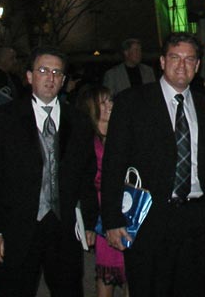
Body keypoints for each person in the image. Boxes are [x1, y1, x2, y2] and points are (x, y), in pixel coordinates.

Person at [101, 32, 205, 297]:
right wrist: (112, 220)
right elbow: (114, 163)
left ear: (198, 65)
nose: (182, 65)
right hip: (149, 220)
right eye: (175, 58)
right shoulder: (131, 103)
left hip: (197, 220)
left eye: (189, 59)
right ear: (161, 61)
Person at [0, 45, 98, 297]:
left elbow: (86, 175)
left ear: (64, 80)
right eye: (43, 70)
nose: (50, 78)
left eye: (57, 73)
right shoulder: (6, 118)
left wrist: (88, 220)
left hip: (63, 228)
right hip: (19, 226)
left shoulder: (77, 121)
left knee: (68, 288)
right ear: (30, 76)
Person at [79, 84, 128, 297]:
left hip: (127, 207)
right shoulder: (88, 140)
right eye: (104, 102)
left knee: (132, 269)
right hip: (101, 210)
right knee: (106, 271)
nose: (110, 105)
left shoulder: (122, 134)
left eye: (110, 100)